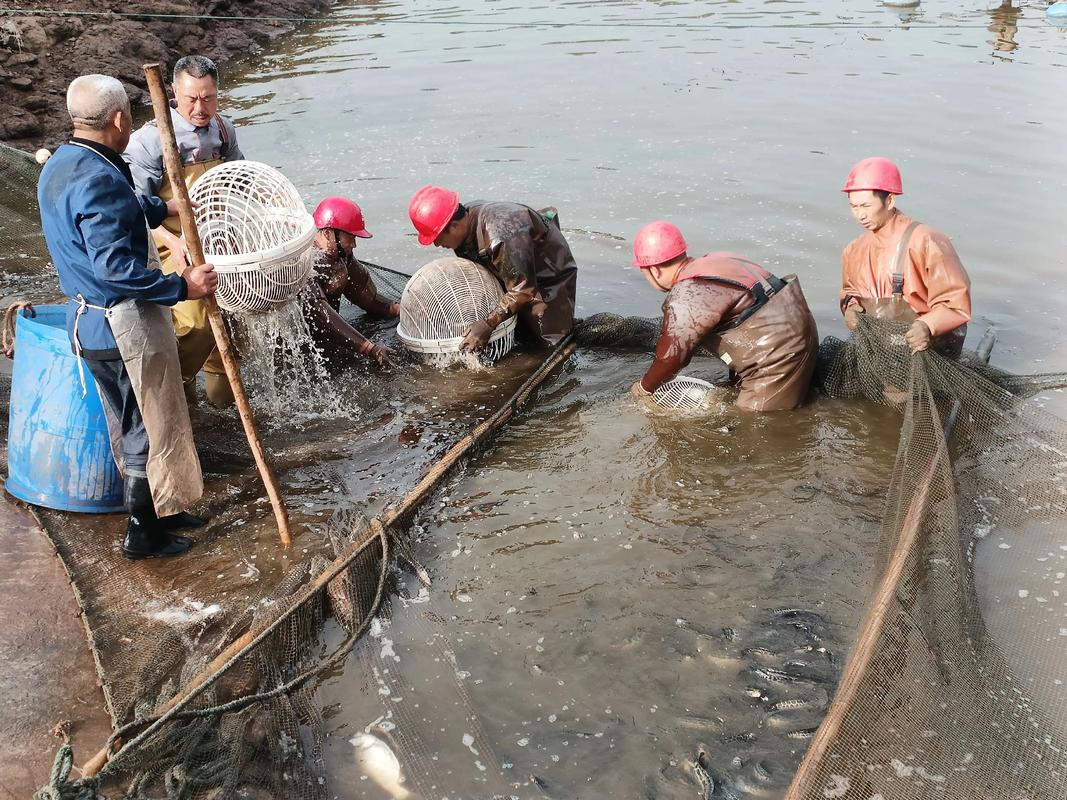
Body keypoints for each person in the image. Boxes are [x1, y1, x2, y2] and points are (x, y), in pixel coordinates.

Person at [37, 74, 218, 559]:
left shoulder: (65, 162)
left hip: (90, 321)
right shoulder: (98, 176)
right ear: (118, 120)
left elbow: (124, 203)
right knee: (141, 430)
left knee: (157, 419)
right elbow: (115, 269)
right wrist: (183, 286)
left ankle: (167, 506)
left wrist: (165, 206)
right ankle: (143, 534)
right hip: (119, 325)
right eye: (129, 116)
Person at [123, 55, 245, 406]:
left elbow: (241, 179)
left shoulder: (223, 130)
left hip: (217, 239)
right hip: (166, 242)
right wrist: (172, 242)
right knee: (194, 325)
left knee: (232, 328)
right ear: (174, 91)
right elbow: (135, 212)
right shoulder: (149, 141)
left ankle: (222, 411)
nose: (200, 107)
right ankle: (175, 400)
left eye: (208, 97)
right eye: (192, 99)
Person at [628, 221, 818, 412]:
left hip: (777, 355)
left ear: (654, 270)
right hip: (799, 328)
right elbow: (745, 314)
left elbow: (672, 357)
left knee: (756, 424)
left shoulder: (688, 293)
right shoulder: (718, 259)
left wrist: (644, 387)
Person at [407, 185, 578, 351]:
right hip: (513, 270)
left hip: (547, 277)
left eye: (437, 238)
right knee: (516, 333)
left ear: (454, 226)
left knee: (550, 345)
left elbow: (524, 290)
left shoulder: (501, 234)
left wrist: (488, 323)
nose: (436, 244)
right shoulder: (465, 221)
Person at [840, 157, 971, 355]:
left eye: (866, 206)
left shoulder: (927, 241)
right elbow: (849, 292)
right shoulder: (853, 250)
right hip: (879, 350)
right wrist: (850, 308)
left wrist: (927, 326)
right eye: (854, 207)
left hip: (926, 351)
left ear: (890, 200)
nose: (860, 215)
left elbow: (956, 304)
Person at [303, 196, 397, 365]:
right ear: (327, 233)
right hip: (302, 349)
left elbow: (368, 297)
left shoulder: (341, 256)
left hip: (327, 339)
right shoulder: (304, 266)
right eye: (351, 238)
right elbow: (320, 314)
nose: (354, 244)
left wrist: (397, 309)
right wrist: (370, 348)